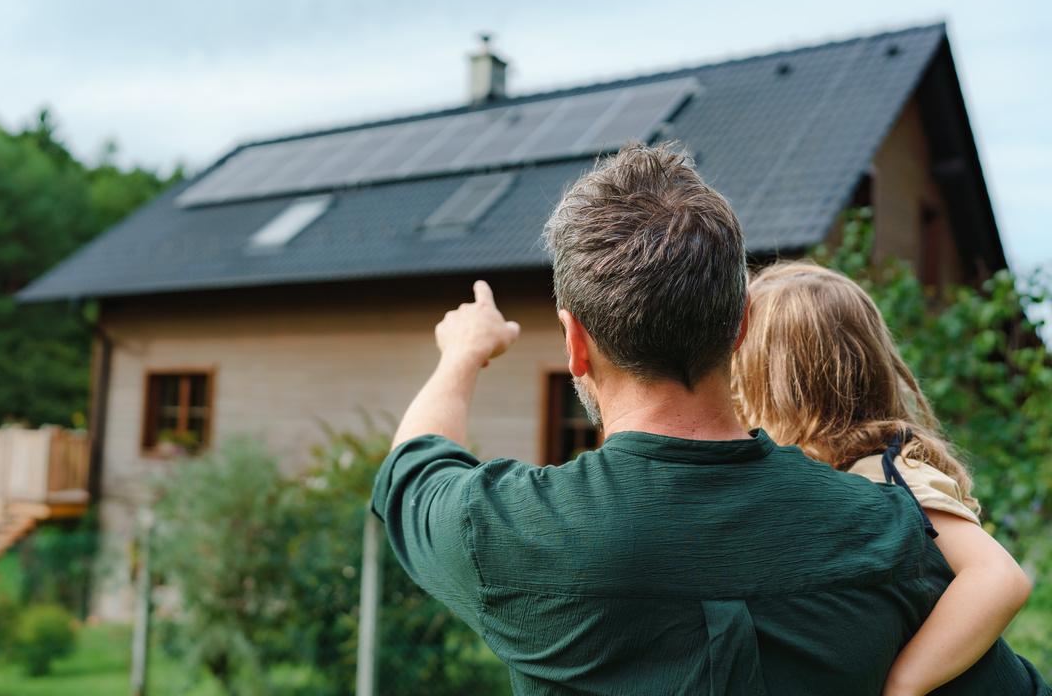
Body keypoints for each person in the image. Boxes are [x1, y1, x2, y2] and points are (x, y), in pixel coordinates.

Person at [371, 142, 1048, 694]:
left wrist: (463, 354)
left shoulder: (504, 530)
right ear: (740, 323)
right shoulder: (890, 532)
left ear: (575, 343)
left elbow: (415, 463)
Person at [731, 261, 1046, 696]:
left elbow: (998, 577)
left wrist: (904, 683)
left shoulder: (888, 473)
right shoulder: (834, 475)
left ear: (771, 386)